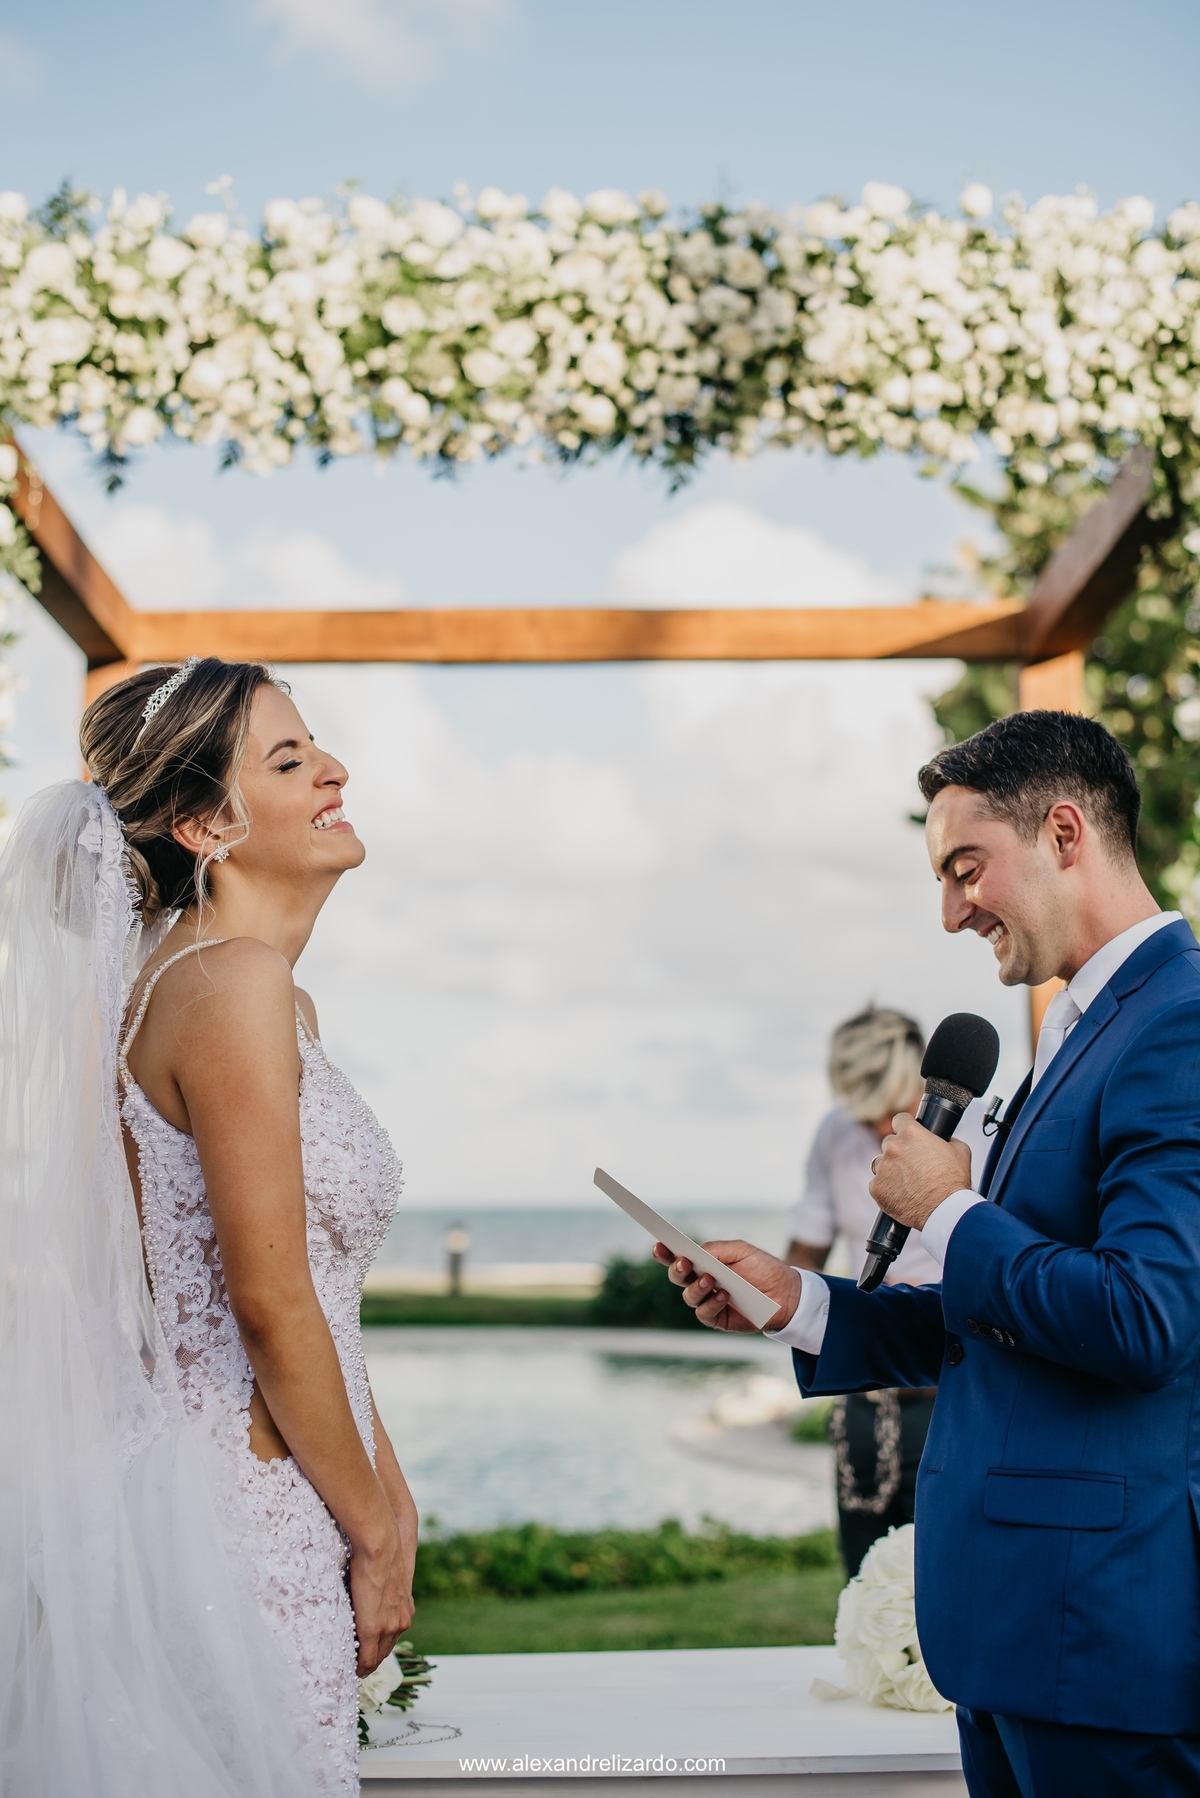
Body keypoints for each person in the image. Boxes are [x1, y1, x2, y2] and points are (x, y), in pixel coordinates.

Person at [656, 711, 1200, 1797]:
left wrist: (950, 1211)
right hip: (1012, 1630)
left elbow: (1147, 1317)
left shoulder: (1178, 1022)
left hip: (1101, 1638)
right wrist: (800, 1303)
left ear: (1061, 833)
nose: (950, 912)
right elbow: (999, 1311)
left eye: (965, 869)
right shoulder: (1078, 1030)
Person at [0, 657, 416, 1797]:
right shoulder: (226, 982)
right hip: (249, 1515)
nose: (334, 769)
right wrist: (372, 1532)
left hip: (249, 1482)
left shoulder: (218, 986)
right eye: (288, 760)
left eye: (316, 744)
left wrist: (385, 1476)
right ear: (201, 822)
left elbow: (316, 1285)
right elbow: (268, 1304)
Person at [786, 1007, 938, 1574]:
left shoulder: (984, 1130)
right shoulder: (834, 1133)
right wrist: (760, 1292)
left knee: (944, 1579)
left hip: (947, 1392)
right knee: (866, 1575)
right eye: (863, 1114)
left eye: (888, 1109)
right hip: (867, 1399)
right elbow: (806, 1248)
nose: (877, 1129)